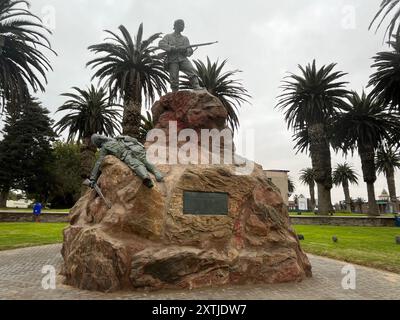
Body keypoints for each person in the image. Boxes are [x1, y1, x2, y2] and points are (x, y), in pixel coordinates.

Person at [89, 134, 164, 189]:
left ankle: (156, 172)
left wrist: (124, 137)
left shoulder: (117, 137)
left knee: (145, 160)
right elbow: (99, 162)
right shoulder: (104, 148)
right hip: (126, 155)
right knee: (136, 165)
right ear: (99, 141)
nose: (101, 136)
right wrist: (93, 178)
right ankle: (146, 178)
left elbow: (134, 140)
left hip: (135, 149)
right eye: (99, 137)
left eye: (100, 135)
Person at [159, 19, 203, 92]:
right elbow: (161, 44)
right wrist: (172, 48)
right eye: (181, 25)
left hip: (183, 59)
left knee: (191, 70)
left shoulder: (185, 39)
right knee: (174, 77)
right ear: (176, 26)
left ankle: (196, 86)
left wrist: (185, 51)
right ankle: (175, 91)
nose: (183, 27)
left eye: (183, 25)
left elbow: (189, 50)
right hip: (172, 60)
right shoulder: (168, 36)